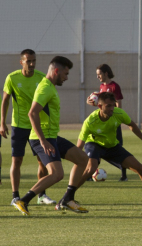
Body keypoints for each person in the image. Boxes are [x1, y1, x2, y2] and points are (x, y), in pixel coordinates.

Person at [13, 56, 90, 216]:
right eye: (65, 73)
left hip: (51, 136)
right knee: (57, 174)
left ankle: (68, 199)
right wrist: (43, 141)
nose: (66, 77)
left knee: (83, 159)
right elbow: (32, 113)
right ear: (56, 71)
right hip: (42, 138)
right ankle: (23, 200)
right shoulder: (45, 88)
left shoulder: (49, 86)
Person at [77, 92, 142, 209]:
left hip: (112, 146)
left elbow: (131, 124)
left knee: (140, 169)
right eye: (108, 106)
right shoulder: (90, 121)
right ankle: (68, 196)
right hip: (94, 144)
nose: (112, 108)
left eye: (113, 105)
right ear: (100, 106)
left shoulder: (118, 113)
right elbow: (79, 145)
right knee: (91, 168)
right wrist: (75, 158)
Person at [1, 49, 56, 205]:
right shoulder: (12, 78)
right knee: (17, 160)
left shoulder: (41, 78)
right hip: (19, 126)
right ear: (21, 62)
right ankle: (15, 196)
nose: (32, 64)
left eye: (34, 61)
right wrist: (2, 122)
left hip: (37, 126)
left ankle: (41, 195)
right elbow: (5, 100)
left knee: (41, 160)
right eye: (28, 61)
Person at [87, 64, 128, 182]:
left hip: (112, 123)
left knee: (118, 147)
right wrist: (89, 102)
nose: (97, 77)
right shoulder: (101, 87)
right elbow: (100, 105)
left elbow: (119, 106)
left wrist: (116, 118)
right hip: (101, 123)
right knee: (97, 146)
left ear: (106, 73)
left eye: (99, 74)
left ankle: (123, 175)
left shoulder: (115, 87)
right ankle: (90, 173)